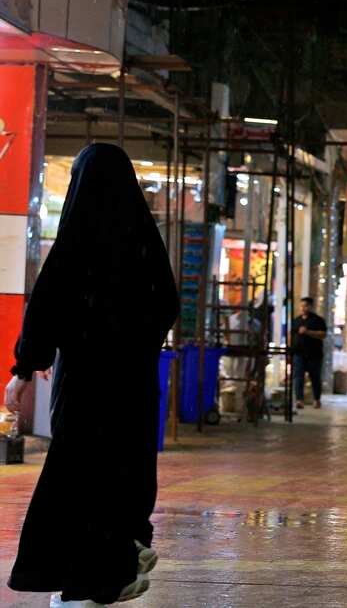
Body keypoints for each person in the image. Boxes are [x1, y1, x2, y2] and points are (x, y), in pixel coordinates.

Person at [5, 144, 178, 606]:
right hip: (134, 384)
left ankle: (80, 576)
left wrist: (24, 369)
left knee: (77, 474)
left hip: (83, 382)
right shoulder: (145, 240)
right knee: (123, 470)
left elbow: (46, 306)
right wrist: (134, 342)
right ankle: (117, 565)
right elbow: (168, 304)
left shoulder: (76, 240)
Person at [291, 297, 326, 409]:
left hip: (314, 354)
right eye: (301, 305)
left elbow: (322, 334)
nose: (303, 308)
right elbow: (291, 334)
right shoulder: (296, 320)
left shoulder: (318, 320)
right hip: (299, 353)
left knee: (315, 377)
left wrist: (308, 332)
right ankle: (299, 400)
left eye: (305, 305)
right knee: (298, 377)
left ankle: (316, 399)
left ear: (310, 306)